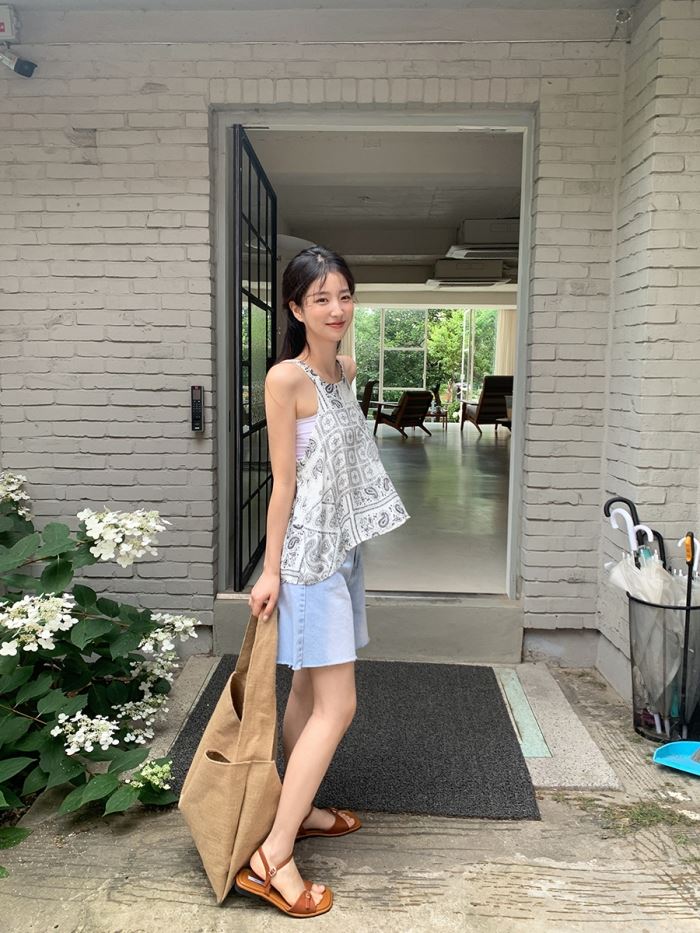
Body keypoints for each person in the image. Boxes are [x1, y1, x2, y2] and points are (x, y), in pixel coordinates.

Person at [235, 246, 408, 918]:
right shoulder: (287, 378)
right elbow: (283, 483)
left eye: (344, 295)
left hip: (343, 551)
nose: (337, 309)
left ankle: (297, 810)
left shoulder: (344, 369)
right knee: (338, 707)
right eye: (321, 299)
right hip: (308, 561)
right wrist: (271, 569)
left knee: (308, 690)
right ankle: (273, 855)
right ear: (295, 308)